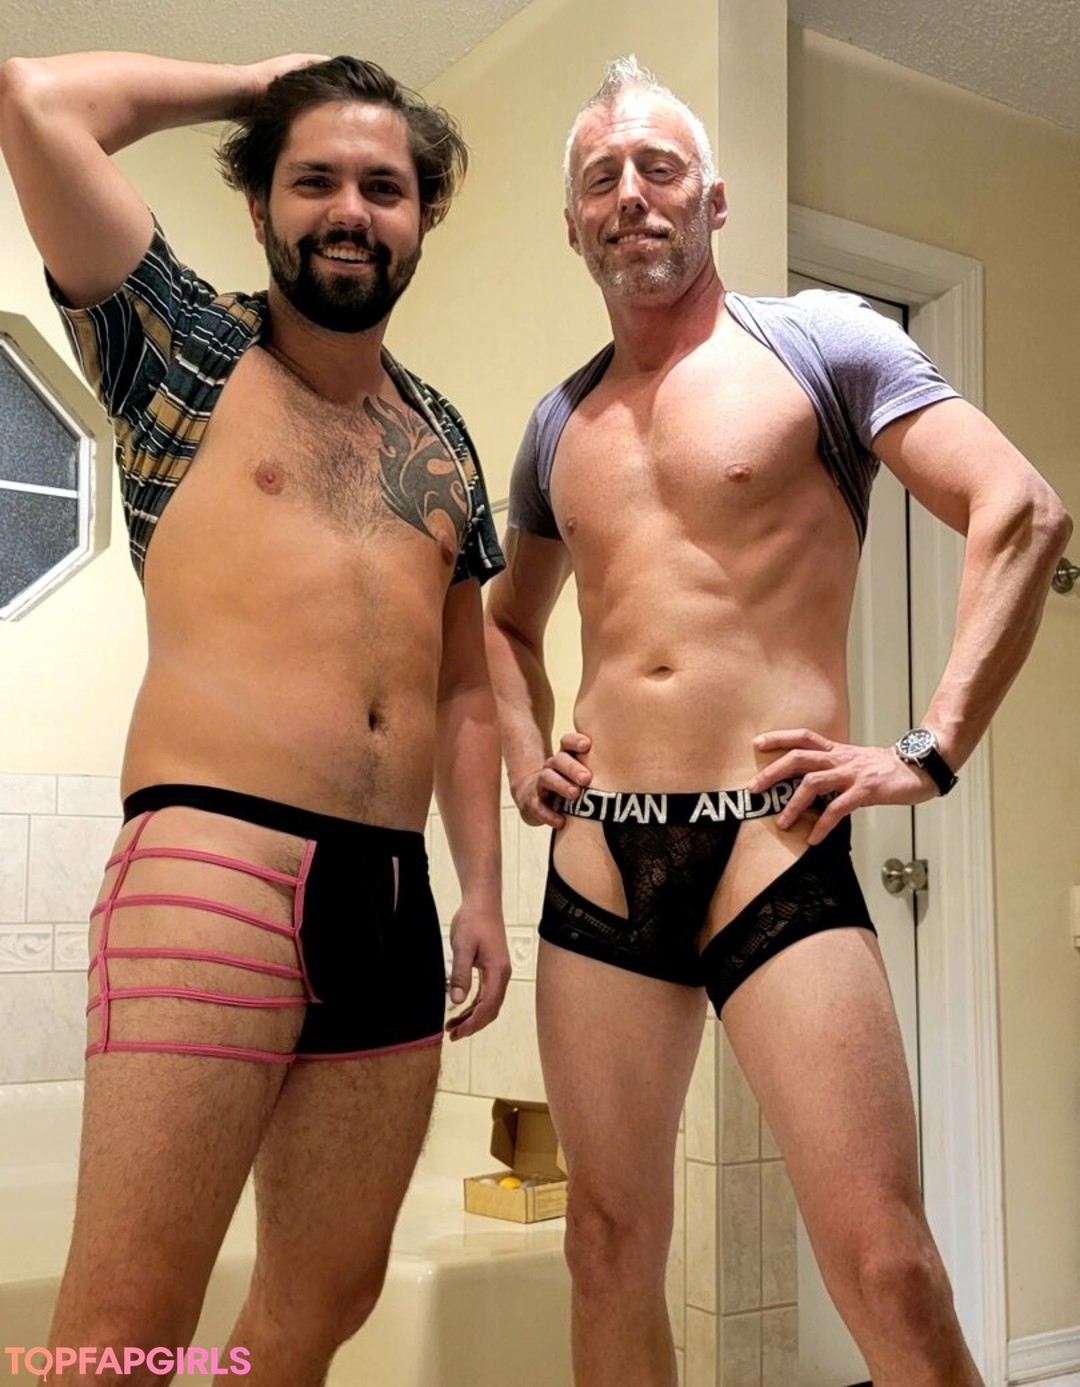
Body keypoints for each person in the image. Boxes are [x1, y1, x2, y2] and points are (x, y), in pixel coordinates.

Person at [484, 56, 1070, 1387]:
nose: (630, 194)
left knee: (887, 1263)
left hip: (772, 843)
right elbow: (506, 627)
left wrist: (931, 748)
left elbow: (1022, 511)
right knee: (606, 1246)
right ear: (574, 225)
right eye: (600, 178)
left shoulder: (824, 345)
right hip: (600, 854)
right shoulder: (557, 423)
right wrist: (525, 752)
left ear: (714, 199)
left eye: (660, 168)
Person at [0, 51, 509, 1386]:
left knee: (323, 1301)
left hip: (391, 896)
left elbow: (465, 685)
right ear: (260, 205)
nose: (351, 210)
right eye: (314, 178)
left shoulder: (443, 435)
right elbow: (36, 101)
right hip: (214, 869)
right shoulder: (184, 346)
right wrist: (257, 84)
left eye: (383, 187)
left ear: (423, 217)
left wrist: (484, 890)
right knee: (122, 1335)